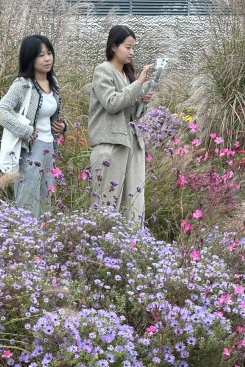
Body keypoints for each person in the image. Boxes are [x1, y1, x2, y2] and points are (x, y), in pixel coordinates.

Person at [88, 25, 154, 225]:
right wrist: (137, 85)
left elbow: (131, 114)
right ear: (114, 47)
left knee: (133, 202)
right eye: (128, 46)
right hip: (110, 144)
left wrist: (142, 100)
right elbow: (111, 103)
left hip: (131, 144)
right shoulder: (103, 71)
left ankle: (130, 249)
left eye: (133, 47)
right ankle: (100, 248)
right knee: (106, 203)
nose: (132, 52)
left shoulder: (126, 75)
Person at [0, 35, 66, 217]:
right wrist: (26, 131)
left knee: (45, 200)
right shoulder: (23, 85)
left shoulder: (53, 84)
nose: (47, 59)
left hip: (49, 148)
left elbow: (50, 118)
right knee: (28, 200)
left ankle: (42, 242)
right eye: (41, 55)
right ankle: (25, 242)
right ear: (30, 58)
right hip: (31, 150)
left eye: (49, 53)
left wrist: (62, 127)